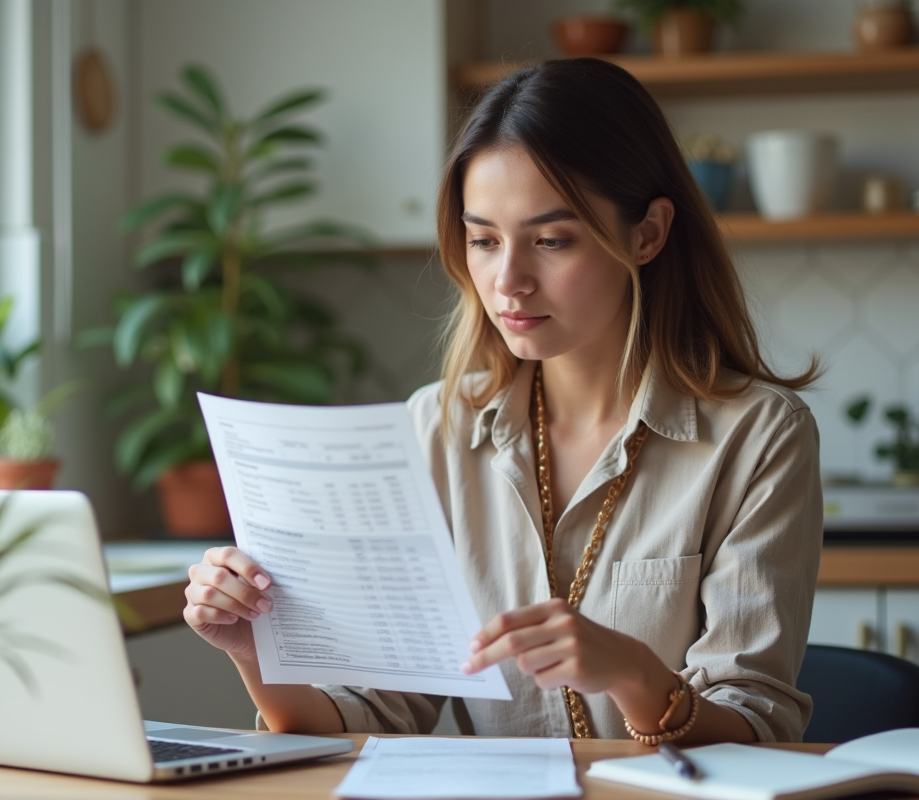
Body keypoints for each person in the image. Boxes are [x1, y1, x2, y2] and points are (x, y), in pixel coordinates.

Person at [182, 57, 823, 745]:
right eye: (484, 240)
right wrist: (256, 653)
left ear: (648, 233)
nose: (508, 280)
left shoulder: (758, 436)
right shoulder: (435, 427)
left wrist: (635, 673)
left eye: (551, 240)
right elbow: (382, 711)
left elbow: (758, 728)